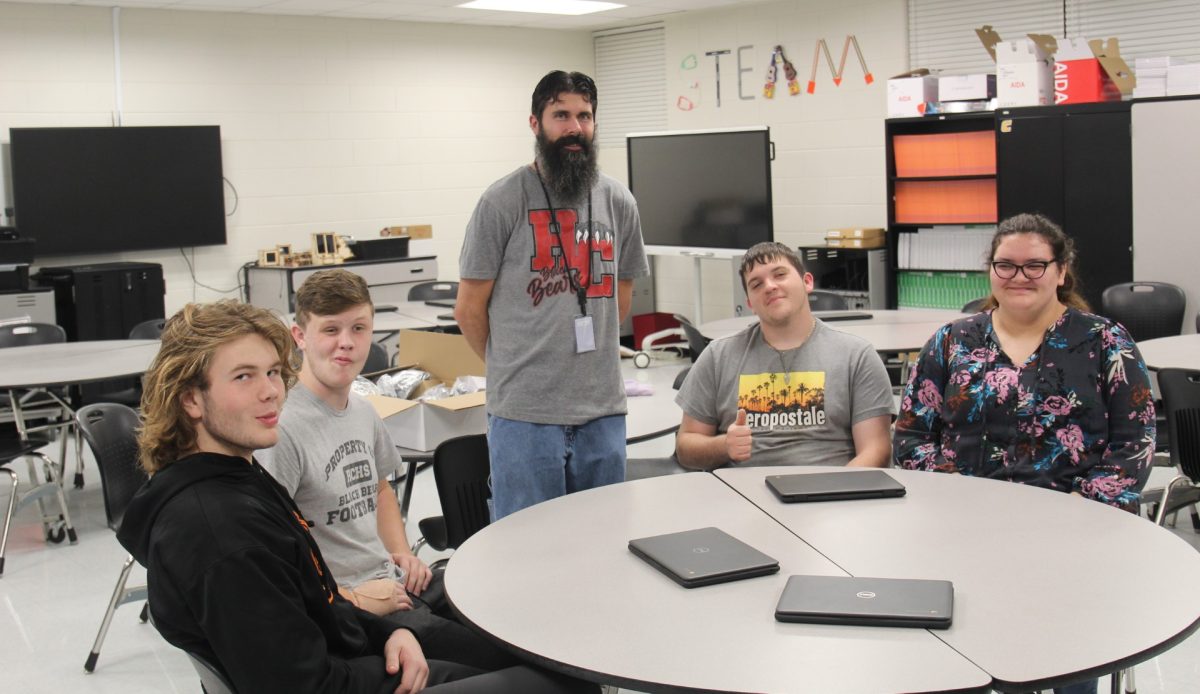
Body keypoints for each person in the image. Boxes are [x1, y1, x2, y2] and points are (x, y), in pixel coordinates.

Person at [117, 299, 593, 693]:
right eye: (243, 377)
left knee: (530, 659)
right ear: (191, 400)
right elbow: (300, 686)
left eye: (271, 373)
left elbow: (319, 603)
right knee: (565, 683)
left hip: (353, 652)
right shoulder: (222, 533)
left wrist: (391, 632)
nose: (270, 393)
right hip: (348, 682)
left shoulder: (233, 478)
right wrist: (389, 647)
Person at [893, 214, 1155, 694]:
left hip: (1077, 537)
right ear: (990, 271)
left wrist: (1083, 506)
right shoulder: (952, 341)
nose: (1019, 277)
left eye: (1035, 266)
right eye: (1006, 266)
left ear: (1061, 270)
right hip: (965, 533)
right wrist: (959, 494)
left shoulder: (1104, 342)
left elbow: (1135, 441)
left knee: (1069, 660)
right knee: (968, 660)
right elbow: (911, 435)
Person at [262, 268, 518, 672]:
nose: (346, 343)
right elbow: (273, 551)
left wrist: (399, 551)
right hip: (356, 607)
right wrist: (351, 597)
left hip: (396, 581)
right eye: (330, 330)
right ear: (299, 336)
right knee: (512, 660)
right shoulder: (284, 430)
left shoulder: (363, 411)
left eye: (358, 328)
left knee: (510, 611)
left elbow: (380, 488)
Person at [456, 70, 649, 519]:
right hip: (525, 415)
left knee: (601, 538)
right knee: (526, 549)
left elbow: (620, 300)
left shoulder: (619, 202)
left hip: (602, 410)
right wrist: (514, 364)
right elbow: (468, 310)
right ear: (535, 123)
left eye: (584, 115)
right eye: (560, 114)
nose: (574, 127)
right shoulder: (501, 202)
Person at [675, 242, 894, 469]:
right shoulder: (718, 357)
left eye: (779, 275)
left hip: (829, 494)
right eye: (756, 284)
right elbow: (686, 447)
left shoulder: (856, 356)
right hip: (742, 498)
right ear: (750, 303)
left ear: (807, 282)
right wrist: (723, 445)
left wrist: (833, 491)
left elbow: (876, 450)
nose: (769, 286)